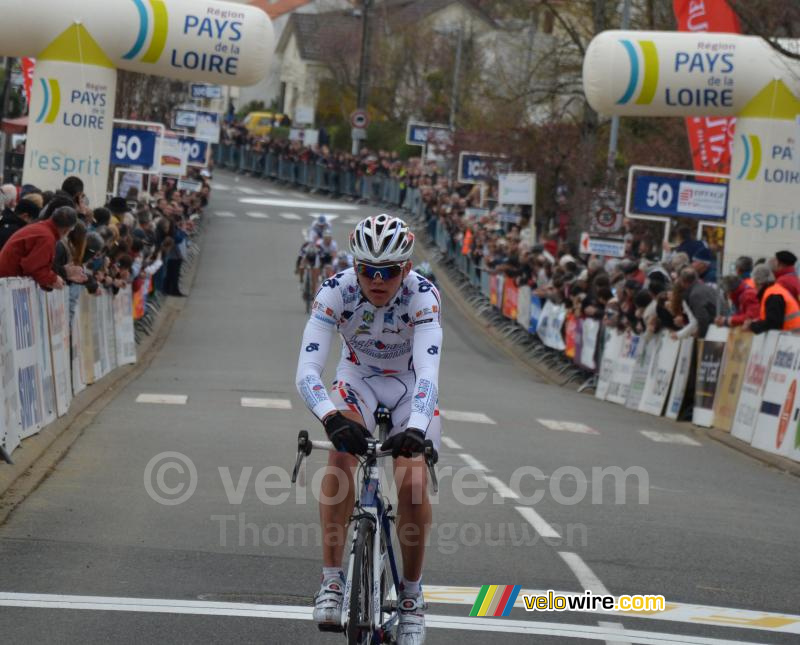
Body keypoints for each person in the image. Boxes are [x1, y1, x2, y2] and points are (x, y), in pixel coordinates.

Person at [296, 214, 441, 644]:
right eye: (368, 270)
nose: (378, 281)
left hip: (410, 388)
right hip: (356, 380)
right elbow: (307, 369)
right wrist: (331, 417)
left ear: (407, 269)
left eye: (389, 272)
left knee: (413, 485)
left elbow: (430, 374)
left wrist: (415, 428)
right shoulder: (335, 291)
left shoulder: (423, 297)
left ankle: (411, 599)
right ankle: (332, 579)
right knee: (339, 455)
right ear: (354, 265)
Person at [0, 206, 84, 289]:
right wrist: (53, 279)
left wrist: (62, 273)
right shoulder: (47, 238)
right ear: (67, 230)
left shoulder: (42, 228)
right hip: (6, 283)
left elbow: (39, 264)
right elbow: (33, 267)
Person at [746, 264, 800, 333]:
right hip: (791, 334)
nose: (755, 288)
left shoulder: (773, 296)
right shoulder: (775, 290)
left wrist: (752, 326)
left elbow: (772, 322)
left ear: (758, 282)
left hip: (790, 336)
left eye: (754, 284)